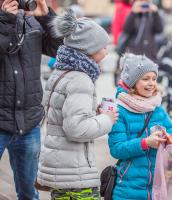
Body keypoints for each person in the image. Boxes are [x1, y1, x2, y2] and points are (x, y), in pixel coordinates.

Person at [36, 10, 118, 199]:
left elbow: (64, 115)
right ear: (88, 48)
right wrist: (106, 119)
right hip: (74, 171)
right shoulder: (80, 79)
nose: (106, 51)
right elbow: (77, 129)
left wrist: (92, 113)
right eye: (103, 47)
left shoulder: (61, 71)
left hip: (61, 166)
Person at [0, 0, 62, 199]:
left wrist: (46, 17)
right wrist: (5, 21)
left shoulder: (31, 20)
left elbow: (59, 50)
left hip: (28, 123)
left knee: (28, 193)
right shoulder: (5, 19)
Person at [109, 53, 172, 200]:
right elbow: (117, 149)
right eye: (145, 79)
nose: (151, 83)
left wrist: (169, 137)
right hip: (128, 189)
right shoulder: (120, 111)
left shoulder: (157, 108)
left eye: (154, 78)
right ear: (132, 83)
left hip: (156, 188)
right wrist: (145, 143)